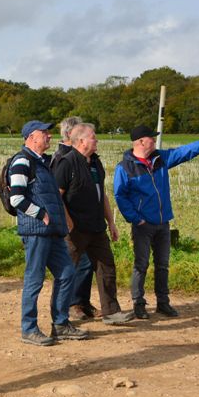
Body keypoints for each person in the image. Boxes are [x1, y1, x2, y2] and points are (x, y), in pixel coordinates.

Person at [114, 126, 199, 318]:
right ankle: (139, 304)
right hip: (143, 225)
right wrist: (136, 219)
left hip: (163, 223)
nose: (155, 140)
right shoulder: (125, 167)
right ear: (141, 142)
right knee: (141, 265)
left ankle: (163, 303)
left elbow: (184, 152)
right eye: (152, 138)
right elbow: (120, 196)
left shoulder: (161, 159)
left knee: (162, 265)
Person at [10, 120, 88, 346]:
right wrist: (40, 214)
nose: (50, 136)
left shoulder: (42, 162)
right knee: (34, 280)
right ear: (32, 136)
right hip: (36, 231)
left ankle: (61, 325)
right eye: (44, 133)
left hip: (52, 231)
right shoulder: (22, 161)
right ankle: (29, 329)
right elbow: (17, 198)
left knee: (67, 274)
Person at [53, 123, 134, 325]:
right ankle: (60, 317)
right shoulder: (67, 162)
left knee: (106, 268)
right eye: (93, 137)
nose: (97, 140)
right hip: (75, 229)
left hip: (97, 227)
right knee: (67, 272)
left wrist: (111, 222)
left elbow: (102, 195)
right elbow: (56, 196)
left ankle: (111, 312)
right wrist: (68, 221)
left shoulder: (96, 163)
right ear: (81, 141)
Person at [51, 117, 97, 321]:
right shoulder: (62, 158)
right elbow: (58, 193)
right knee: (72, 264)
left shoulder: (86, 158)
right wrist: (67, 220)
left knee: (85, 264)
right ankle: (69, 306)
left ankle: (82, 302)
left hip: (85, 222)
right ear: (72, 135)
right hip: (69, 223)